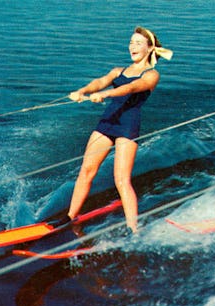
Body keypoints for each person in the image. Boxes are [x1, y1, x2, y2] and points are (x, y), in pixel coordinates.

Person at [64, 26, 173, 233]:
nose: (133, 46)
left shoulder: (152, 75)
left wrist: (105, 95)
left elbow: (131, 88)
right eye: (131, 42)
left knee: (121, 179)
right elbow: (100, 82)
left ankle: (134, 229)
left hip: (127, 125)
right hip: (107, 122)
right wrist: (82, 91)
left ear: (150, 49)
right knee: (86, 171)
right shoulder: (117, 71)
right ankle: (70, 217)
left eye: (138, 43)